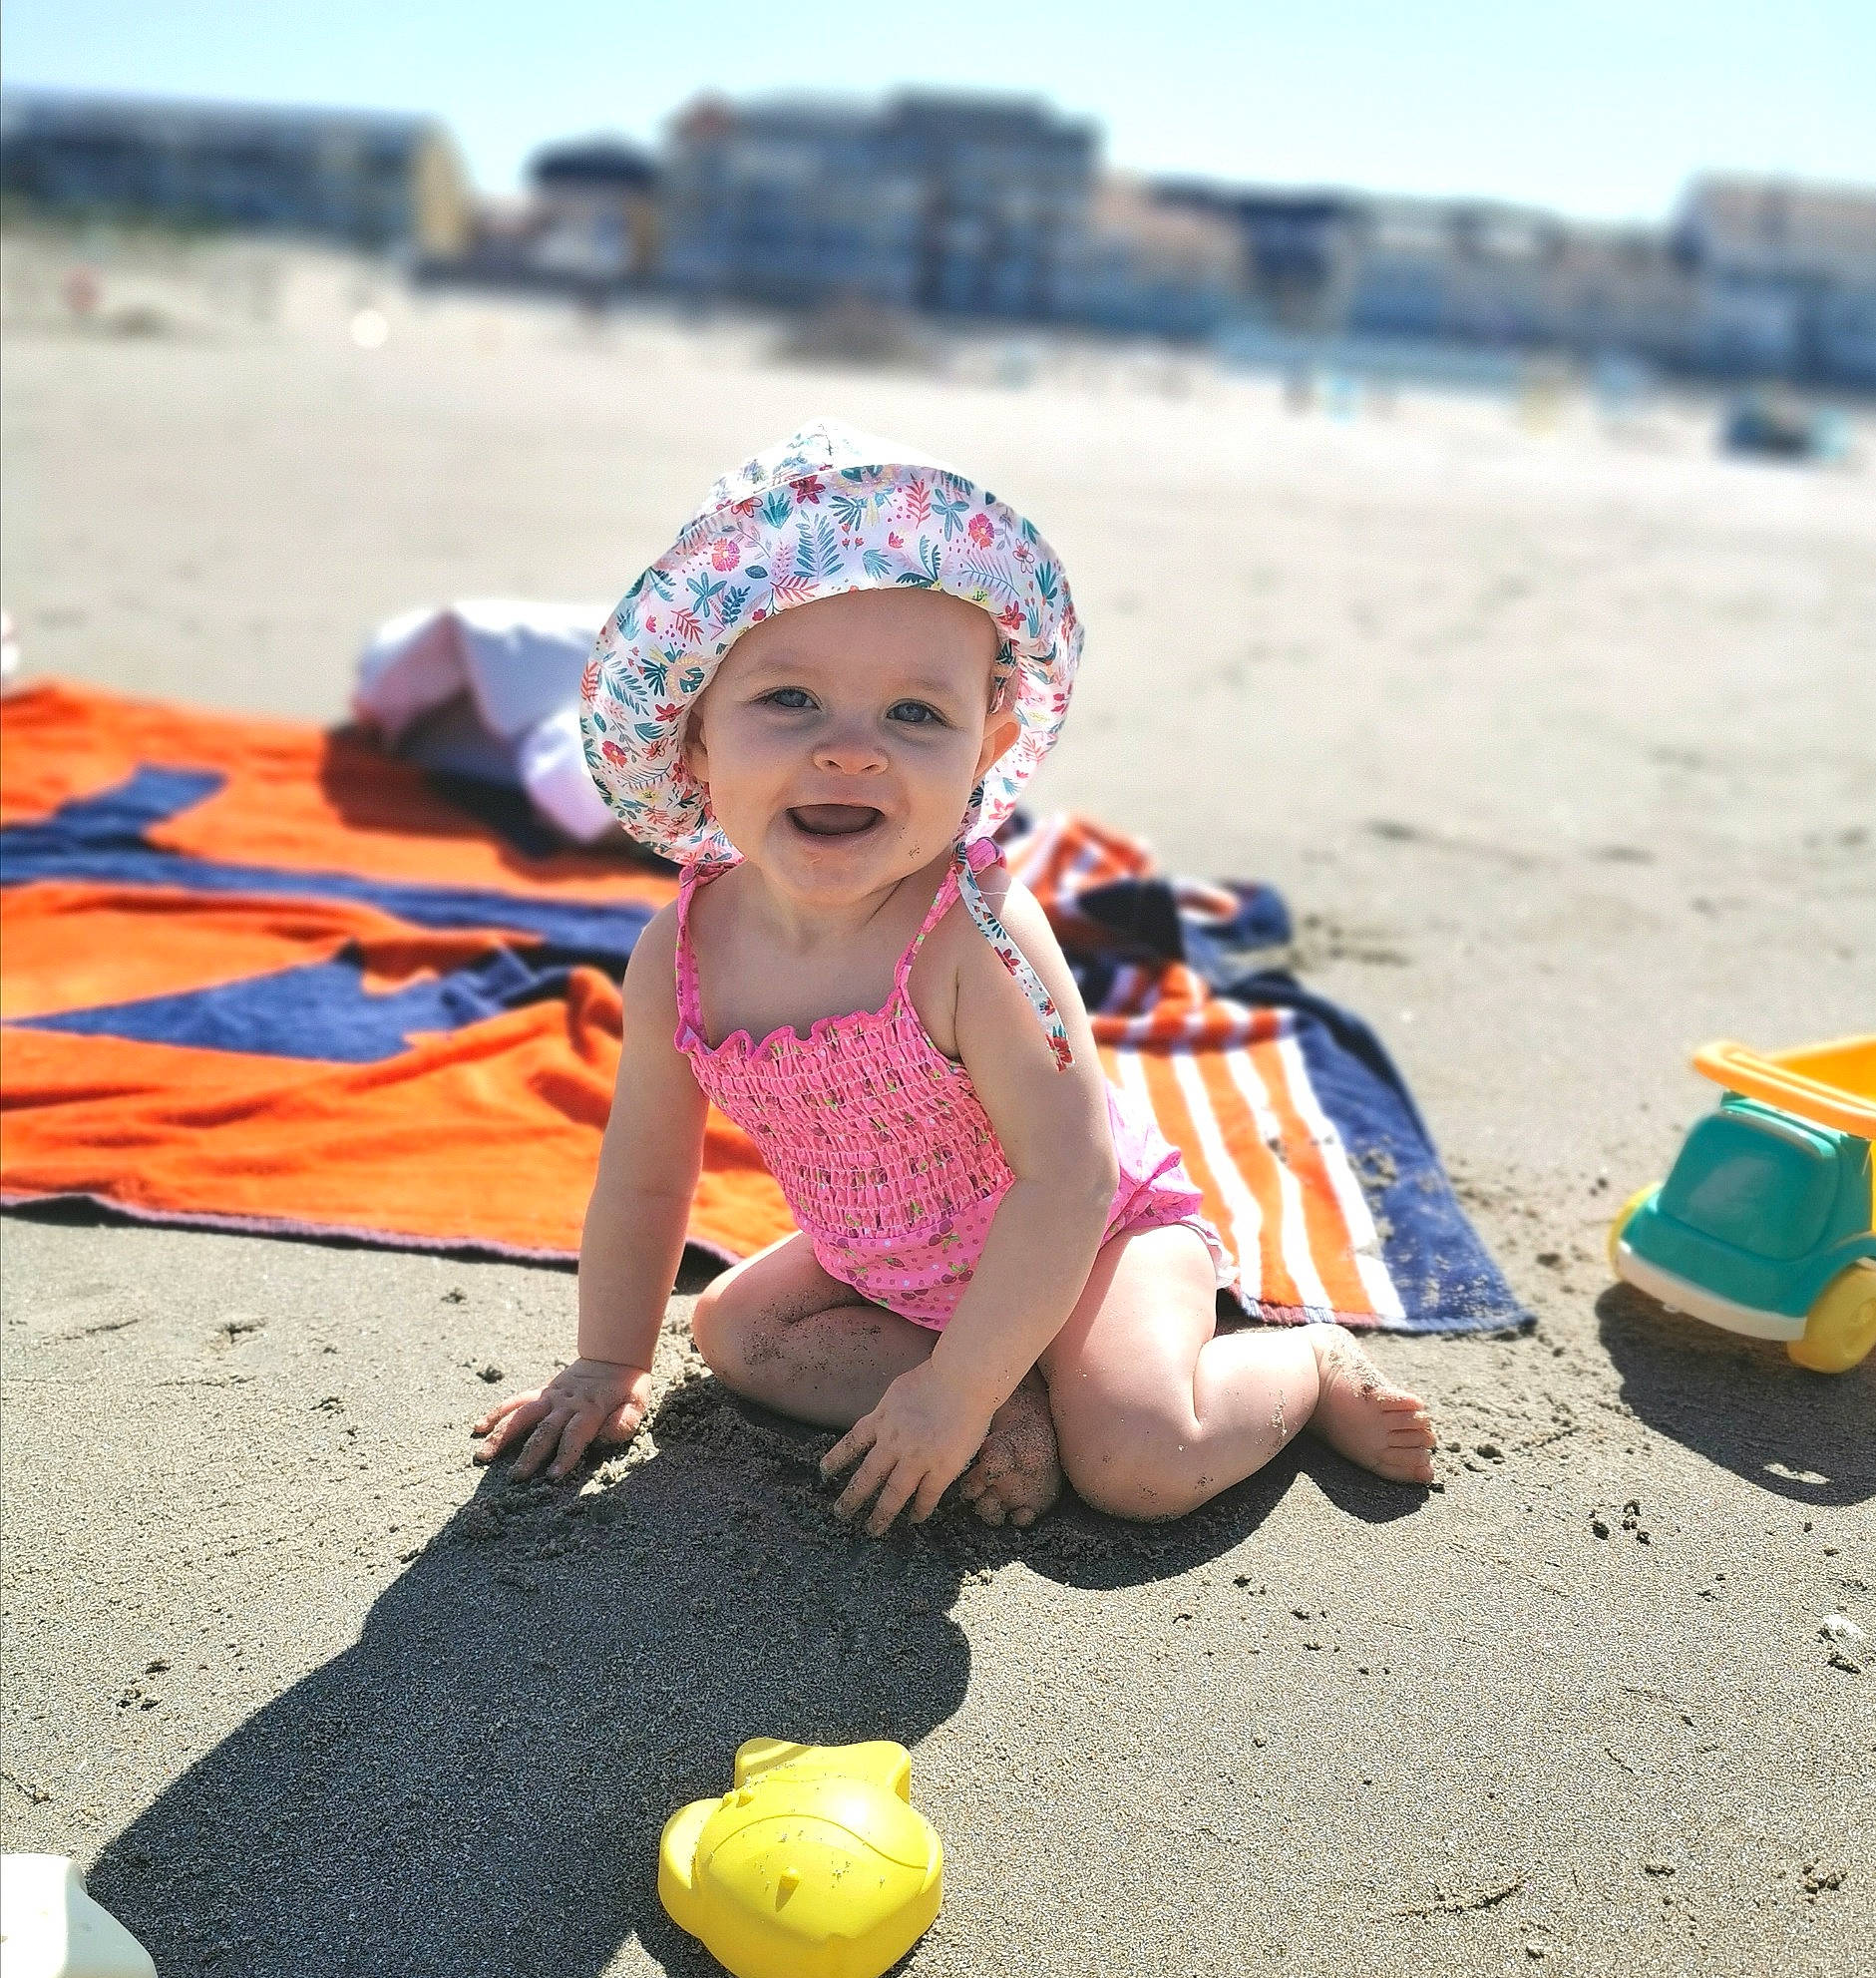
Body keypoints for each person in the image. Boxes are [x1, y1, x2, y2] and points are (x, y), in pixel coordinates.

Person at [474, 420, 1436, 1532]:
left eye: (914, 714)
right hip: (884, 1261)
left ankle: (1299, 1365)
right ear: (694, 742)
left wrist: (954, 1389)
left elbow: (1066, 1177)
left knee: (1137, 1461)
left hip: (1089, 1241)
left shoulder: (969, 937)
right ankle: (1003, 1392)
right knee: (736, 1331)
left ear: (983, 748)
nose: (850, 749)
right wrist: (605, 1360)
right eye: (787, 699)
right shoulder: (681, 953)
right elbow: (645, 1178)